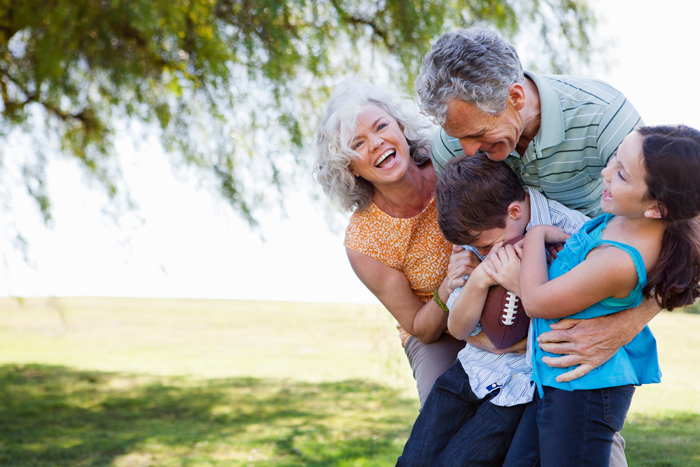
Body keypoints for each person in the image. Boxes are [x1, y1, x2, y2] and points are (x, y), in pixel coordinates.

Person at [414, 29, 660, 464]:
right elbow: (467, 243)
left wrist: (626, 325)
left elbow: (679, 229)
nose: (469, 152)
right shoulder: (452, 144)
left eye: (479, 135)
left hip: (588, 316)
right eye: (459, 139)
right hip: (508, 343)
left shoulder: (604, 119)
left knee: (582, 445)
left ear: (515, 96)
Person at [496, 125, 700, 466]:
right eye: (614, 160)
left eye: (621, 174)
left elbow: (535, 301)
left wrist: (535, 235)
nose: (605, 174)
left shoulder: (618, 260)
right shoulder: (624, 217)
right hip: (559, 381)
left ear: (657, 208)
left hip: (585, 394)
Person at [396, 154, 587, 466]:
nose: (482, 253)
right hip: (469, 370)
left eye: (485, 247)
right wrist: (479, 279)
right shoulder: (476, 237)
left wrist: (520, 283)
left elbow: (576, 326)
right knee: (413, 460)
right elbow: (459, 329)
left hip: (518, 385)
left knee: (459, 462)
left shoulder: (572, 232)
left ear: (514, 211)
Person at [313, 80, 481, 407]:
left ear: (401, 128)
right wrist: (449, 284)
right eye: (358, 143)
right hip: (439, 330)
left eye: (381, 126)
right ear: (349, 166)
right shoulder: (363, 240)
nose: (376, 143)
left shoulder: (451, 163)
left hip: (501, 292)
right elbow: (422, 328)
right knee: (442, 416)